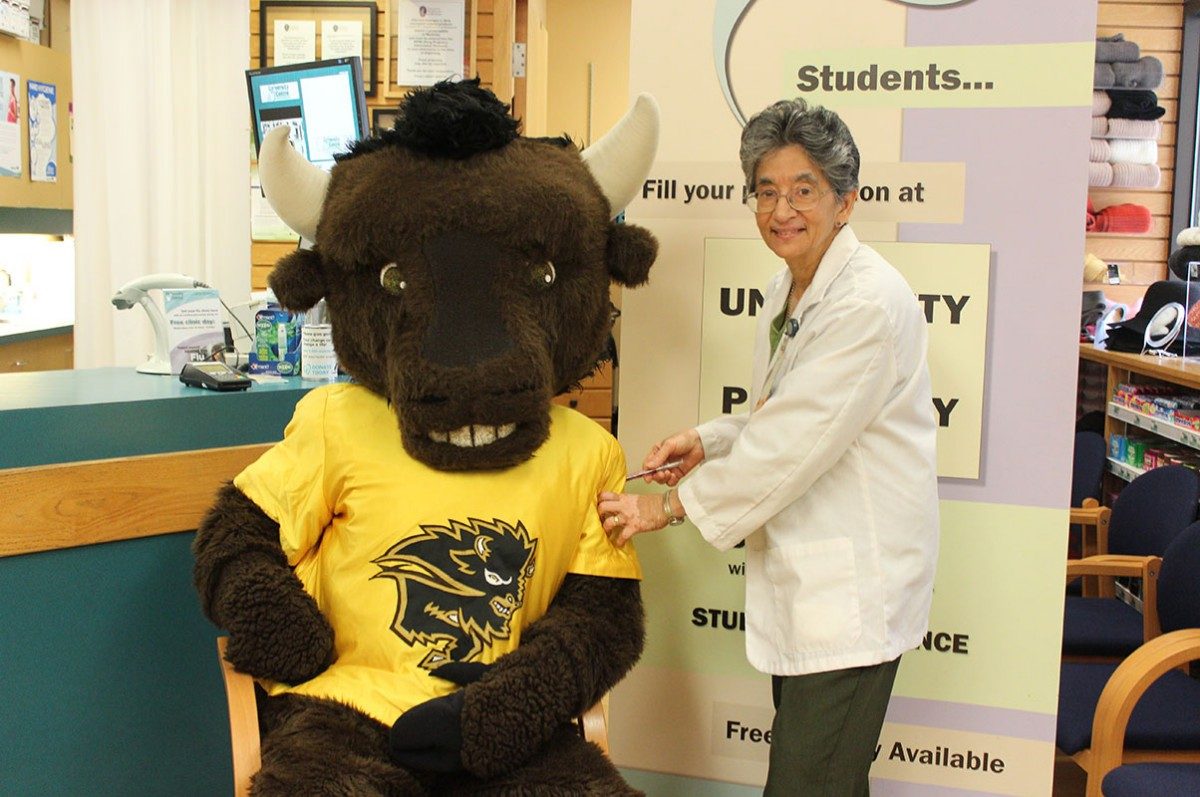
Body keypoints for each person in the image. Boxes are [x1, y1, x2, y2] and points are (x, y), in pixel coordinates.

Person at [597, 97, 939, 795]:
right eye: (766, 191)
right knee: (829, 779)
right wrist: (708, 440)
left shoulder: (866, 303)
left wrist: (667, 509)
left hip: (853, 589)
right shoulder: (790, 288)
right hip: (818, 580)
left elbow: (793, 442)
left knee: (807, 783)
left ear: (846, 202)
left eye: (803, 190)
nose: (781, 209)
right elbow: (784, 414)